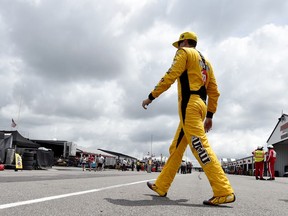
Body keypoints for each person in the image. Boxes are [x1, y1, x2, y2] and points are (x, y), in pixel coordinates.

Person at [142, 31, 235, 206]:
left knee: (199, 146)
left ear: (184, 42)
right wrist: (210, 115)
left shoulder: (184, 53)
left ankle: (223, 190)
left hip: (189, 106)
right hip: (201, 106)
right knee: (176, 147)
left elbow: (170, 75)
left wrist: (151, 96)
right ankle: (162, 185)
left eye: (179, 45)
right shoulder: (206, 63)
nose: (177, 48)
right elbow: (214, 91)